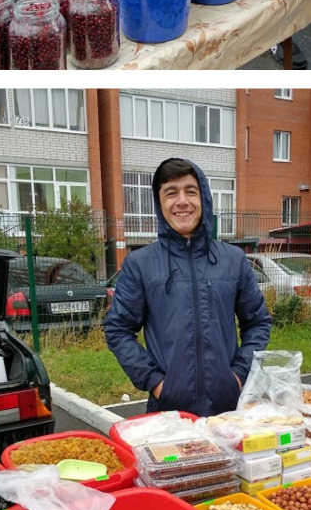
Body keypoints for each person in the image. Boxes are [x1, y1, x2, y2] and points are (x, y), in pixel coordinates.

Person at [104, 157, 271, 416]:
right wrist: (157, 383)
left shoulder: (233, 259)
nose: (182, 201)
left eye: (190, 191)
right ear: (160, 203)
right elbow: (117, 329)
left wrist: (238, 376)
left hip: (228, 411)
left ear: (203, 198)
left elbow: (258, 322)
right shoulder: (140, 264)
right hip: (168, 413)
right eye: (171, 193)